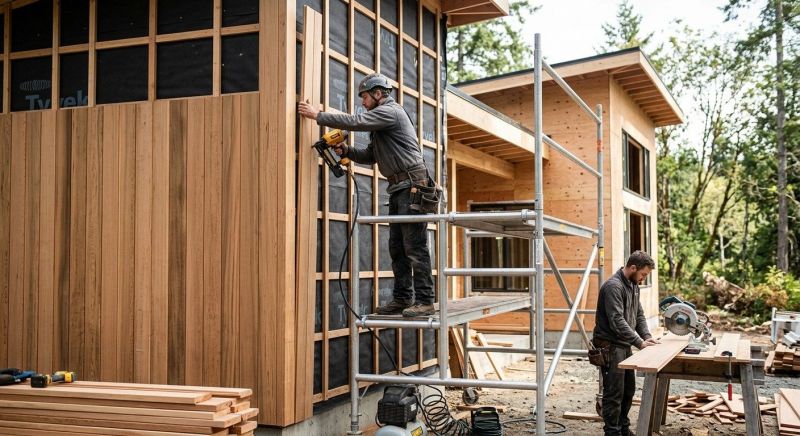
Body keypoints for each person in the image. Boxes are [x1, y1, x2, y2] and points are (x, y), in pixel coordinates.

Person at [298, 73, 435, 317]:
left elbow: (355, 121)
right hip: (398, 187)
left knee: (414, 246)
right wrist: (347, 150)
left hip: (412, 184)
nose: (362, 102)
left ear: (378, 93)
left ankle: (425, 301)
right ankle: (403, 299)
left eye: (364, 97)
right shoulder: (381, 123)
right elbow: (371, 155)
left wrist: (316, 115)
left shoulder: (391, 112)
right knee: (397, 247)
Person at [592, 250, 659, 436]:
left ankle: (623, 428)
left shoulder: (633, 285)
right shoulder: (613, 287)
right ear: (632, 267)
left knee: (628, 390)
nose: (644, 278)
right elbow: (617, 320)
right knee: (614, 393)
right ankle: (612, 432)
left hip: (623, 344)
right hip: (610, 345)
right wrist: (638, 342)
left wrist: (646, 336)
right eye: (643, 274)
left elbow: (638, 315)